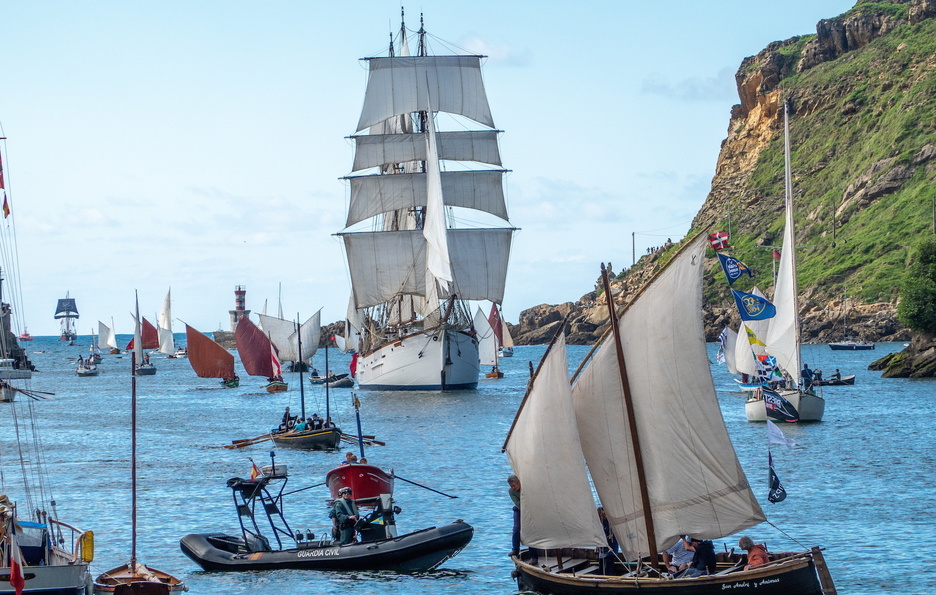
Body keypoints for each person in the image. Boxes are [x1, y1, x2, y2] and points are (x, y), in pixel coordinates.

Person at [597, 507, 618, 575]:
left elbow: (611, 536)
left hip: (610, 551)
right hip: (602, 551)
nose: (599, 518)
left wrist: (604, 539)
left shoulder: (610, 524)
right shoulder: (601, 524)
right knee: (601, 570)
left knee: (608, 571)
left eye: (599, 515)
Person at [507, 475, 522, 557]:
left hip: (530, 509)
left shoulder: (525, 488)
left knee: (531, 530)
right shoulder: (511, 491)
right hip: (519, 509)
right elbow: (518, 503)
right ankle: (515, 549)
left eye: (514, 485)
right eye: (511, 486)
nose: (513, 487)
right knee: (516, 529)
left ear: (518, 483)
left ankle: (534, 554)